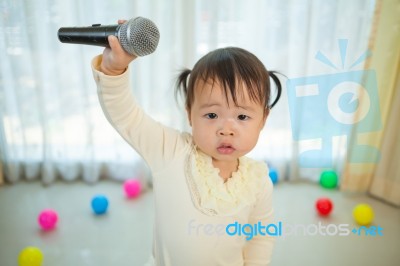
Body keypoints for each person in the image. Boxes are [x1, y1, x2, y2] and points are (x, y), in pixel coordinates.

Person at [91, 20, 282, 266]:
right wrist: (114, 71)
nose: (226, 129)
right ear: (190, 113)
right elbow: (126, 117)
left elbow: (262, 234)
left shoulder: (258, 180)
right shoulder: (170, 151)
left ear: (263, 119)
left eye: (242, 116)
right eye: (211, 115)